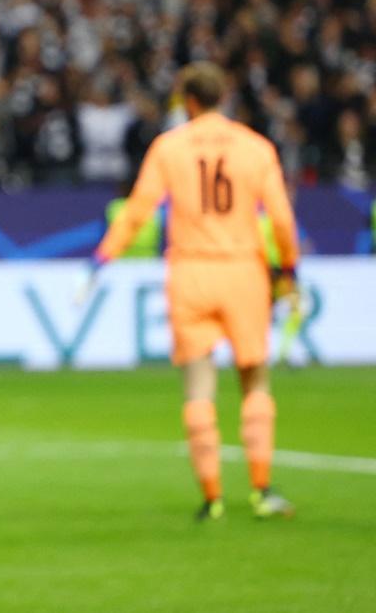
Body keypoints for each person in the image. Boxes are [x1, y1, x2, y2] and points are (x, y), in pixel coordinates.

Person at [88, 62, 298, 522]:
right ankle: (261, 489)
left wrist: (104, 257)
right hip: (243, 270)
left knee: (199, 386)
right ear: (224, 96)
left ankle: (212, 497)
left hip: (190, 272)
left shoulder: (169, 147)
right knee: (254, 377)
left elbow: (139, 208)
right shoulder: (255, 147)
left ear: (186, 100)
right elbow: (280, 217)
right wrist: (289, 269)